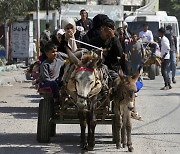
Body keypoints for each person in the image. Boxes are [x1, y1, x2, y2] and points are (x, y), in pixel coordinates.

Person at [39, 42, 67, 108]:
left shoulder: (59, 61)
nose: (55, 53)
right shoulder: (45, 64)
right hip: (45, 82)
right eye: (53, 52)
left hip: (56, 81)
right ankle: (55, 100)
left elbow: (66, 61)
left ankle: (66, 99)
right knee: (53, 83)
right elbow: (46, 78)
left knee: (65, 82)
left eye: (56, 51)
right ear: (47, 53)